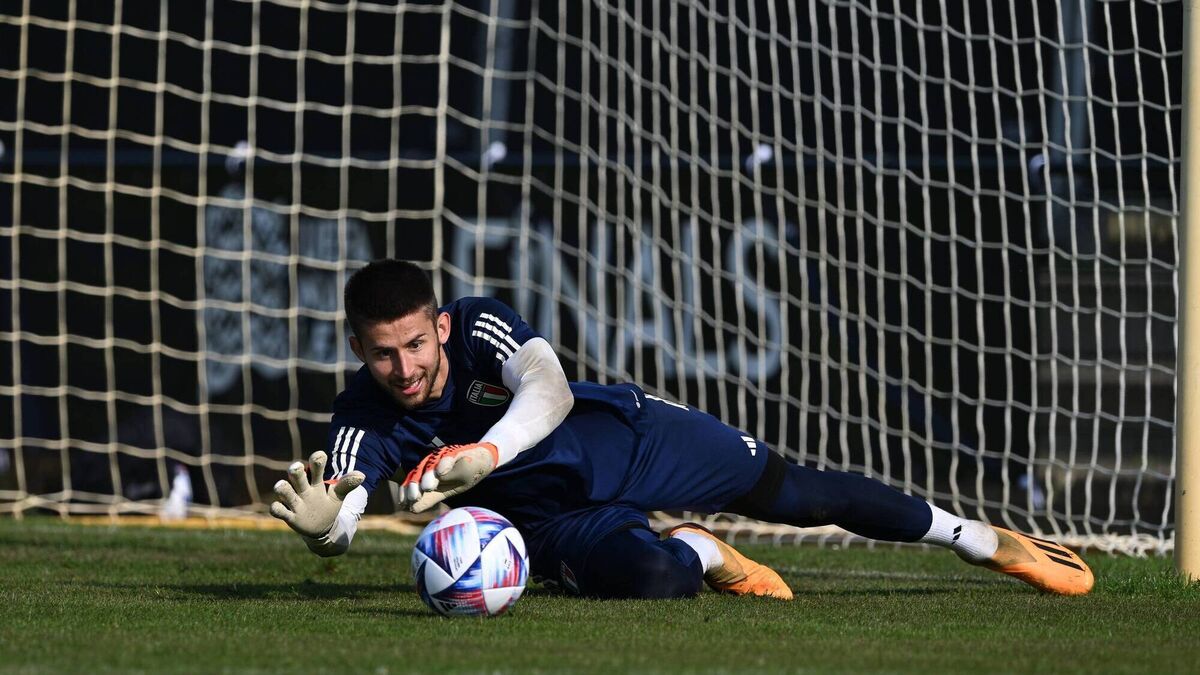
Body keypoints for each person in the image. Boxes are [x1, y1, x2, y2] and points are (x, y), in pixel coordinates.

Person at [269, 259, 1094, 599]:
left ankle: (979, 539)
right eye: (385, 354)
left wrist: (484, 453)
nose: (405, 367)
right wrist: (325, 530)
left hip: (628, 440)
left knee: (797, 495)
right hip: (550, 521)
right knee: (657, 582)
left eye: (416, 344)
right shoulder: (362, 414)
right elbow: (345, 502)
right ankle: (699, 547)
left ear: (440, 327)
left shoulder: (480, 323)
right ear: (359, 349)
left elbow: (549, 390)